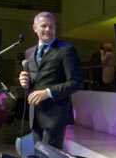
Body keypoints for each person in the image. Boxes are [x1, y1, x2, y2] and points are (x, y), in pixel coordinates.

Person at [18, 11, 83, 150]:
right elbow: (34, 83)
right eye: (44, 26)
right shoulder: (29, 52)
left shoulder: (66, 50)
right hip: (35, 114)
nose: (48, 29)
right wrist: (25, 83)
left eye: (52, 26)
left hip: (56, 116)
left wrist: (48, 92)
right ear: (35, 28)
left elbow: (76, 82)